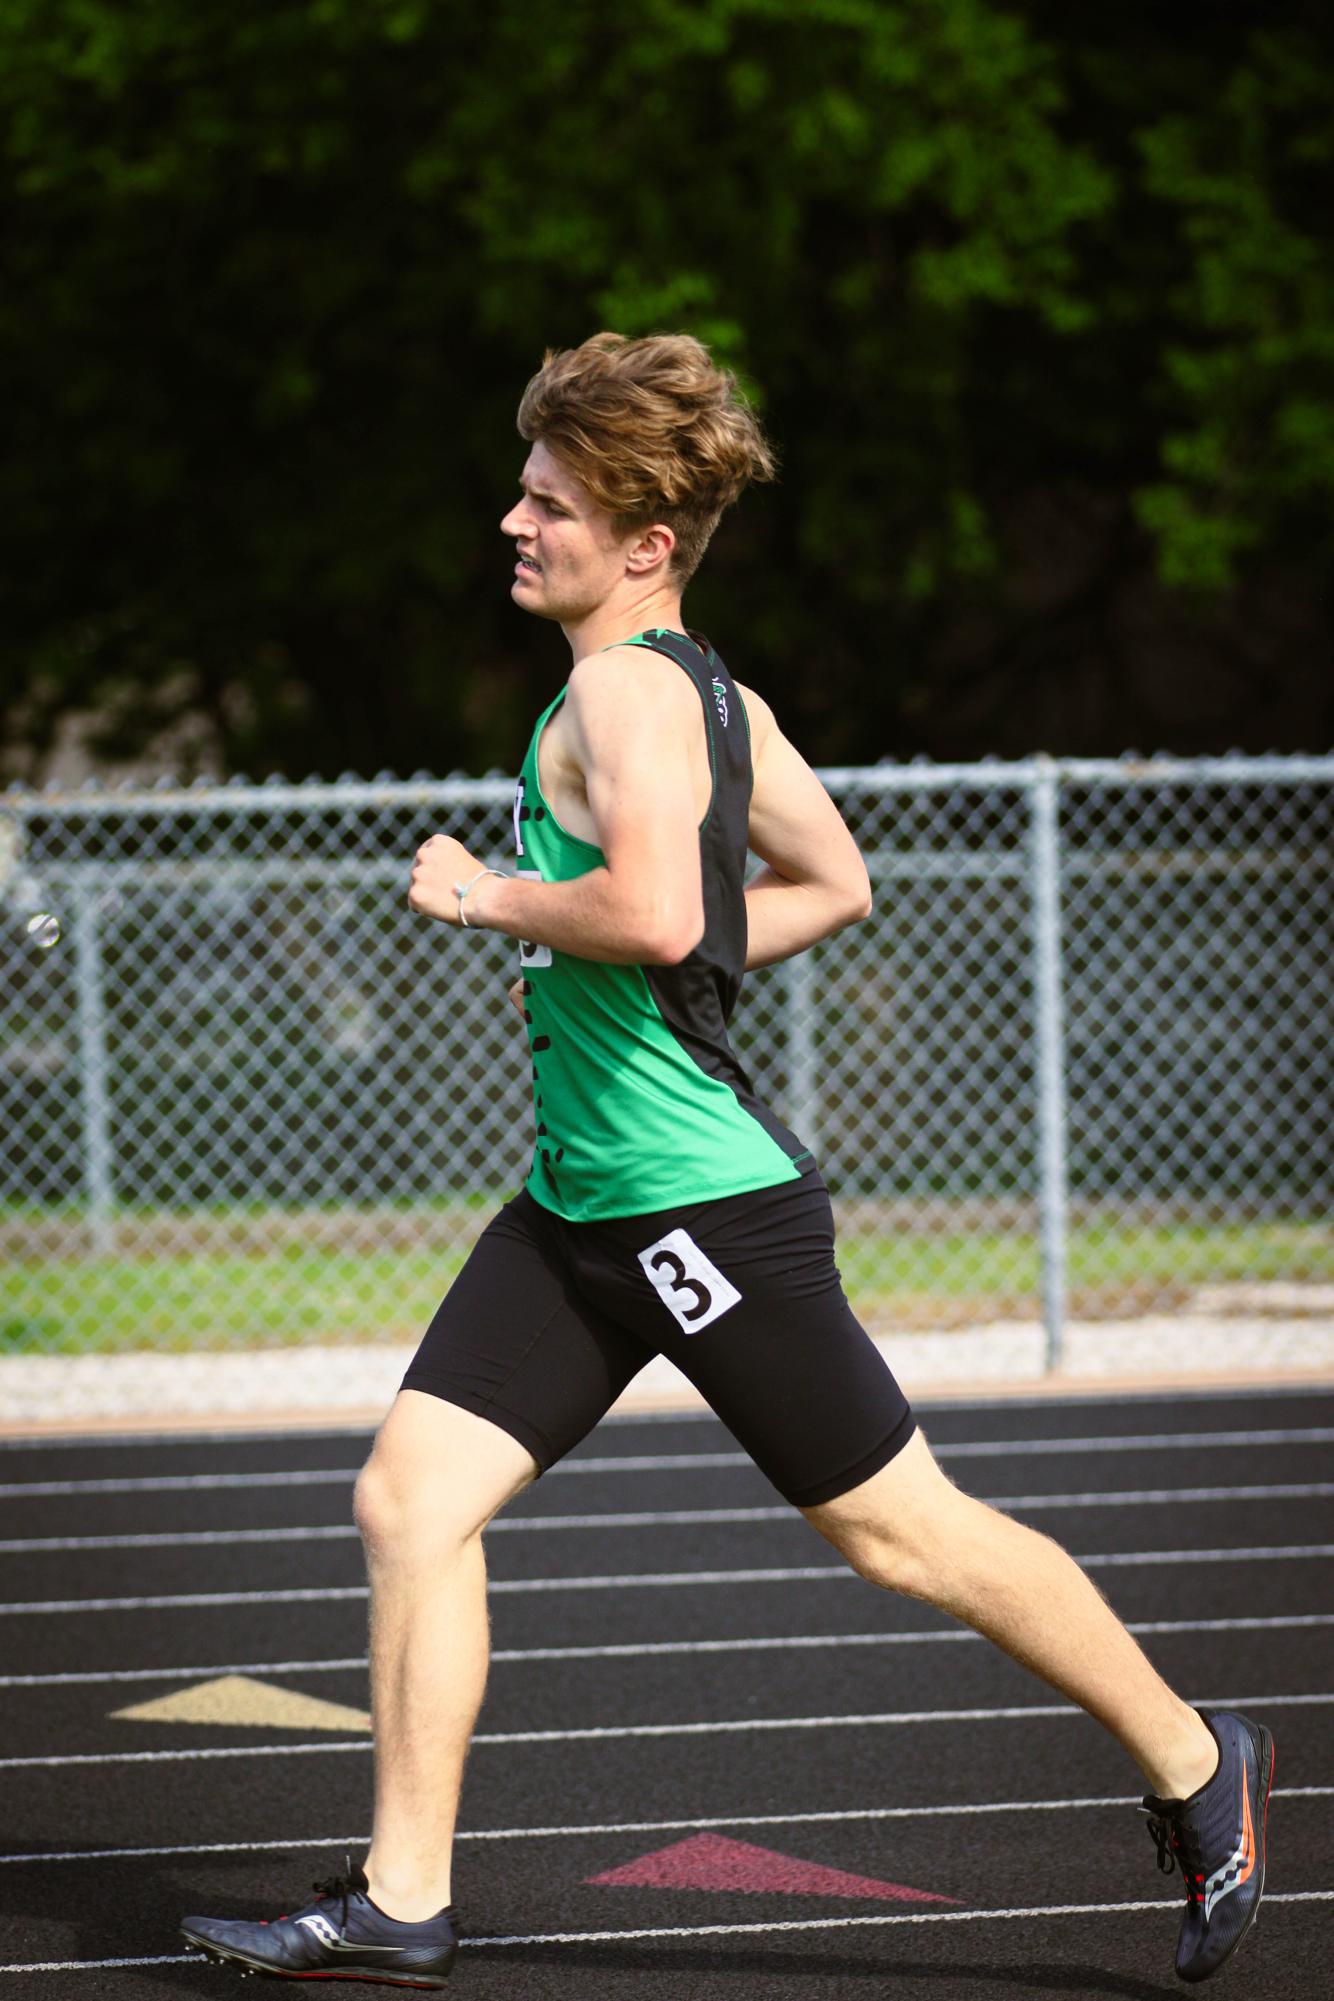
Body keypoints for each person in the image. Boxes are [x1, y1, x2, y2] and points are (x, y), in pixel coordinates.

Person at [182, 333, 1271, 1989]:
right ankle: (402, 1894)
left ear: (642, 545)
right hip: (576, 1208)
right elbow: (832, 881)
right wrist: (676, 960)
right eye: (523, 491)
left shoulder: (622, 691)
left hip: (698, 1206)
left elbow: (654, 910)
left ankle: (1200, 1765)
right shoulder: (711, 691)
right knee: (410, 1496)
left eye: (545, 502)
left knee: (901, 1532)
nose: (510, 521)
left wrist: (488, 897)